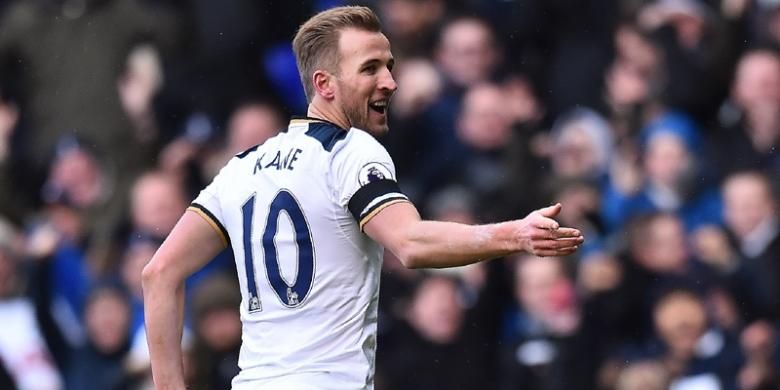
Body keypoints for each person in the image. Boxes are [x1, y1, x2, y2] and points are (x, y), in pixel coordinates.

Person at [142, 6, 584, 390]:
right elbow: (409, 244)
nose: (390, 82)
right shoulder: (348, 150)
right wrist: (514, 234)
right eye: (371, 68)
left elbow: (158, 274)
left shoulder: (241, 167)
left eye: (390, 66)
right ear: (325, 85)